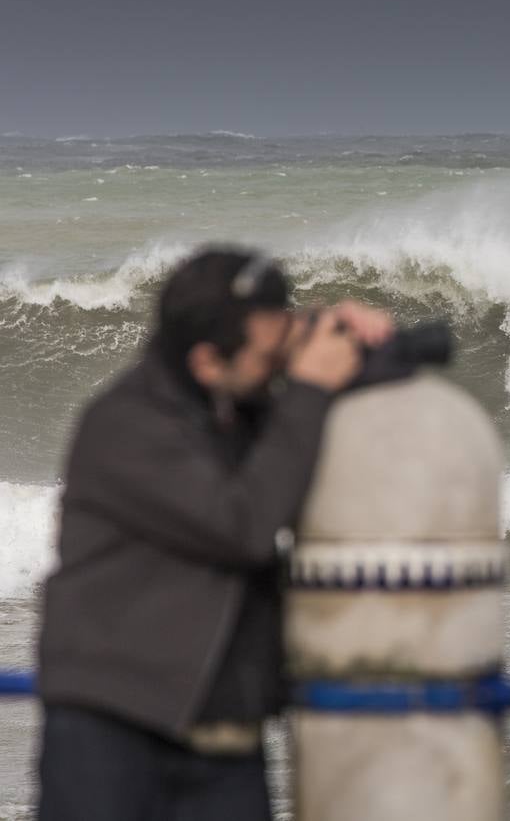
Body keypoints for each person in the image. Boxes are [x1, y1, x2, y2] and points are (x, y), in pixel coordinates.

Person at [36, 247, 393, 820]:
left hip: (224, 736)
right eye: (268, 352)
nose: (281, 363)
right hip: (116, 731)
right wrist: (308, 388)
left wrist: (355, 339)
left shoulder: (232, 405)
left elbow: (301, 433)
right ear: (207, 361)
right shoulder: (127, 428)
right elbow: (244, 525)